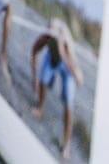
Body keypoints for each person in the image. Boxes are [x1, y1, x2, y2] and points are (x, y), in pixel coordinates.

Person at [31, 19, 84, 161]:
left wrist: (77, 73)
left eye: (53, 37)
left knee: (68, 103)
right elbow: (34, 51)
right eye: (50, 36)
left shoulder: (67, 45)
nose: (50, 38)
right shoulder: (46, 37)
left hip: (67, 65)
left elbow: (72, 63)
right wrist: (34, 77)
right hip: (53, 58)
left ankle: (66, 144)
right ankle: (41, 108)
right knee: (43, 80)